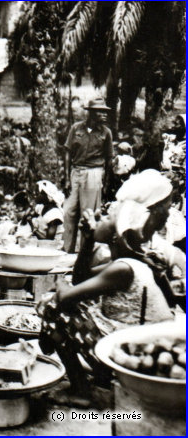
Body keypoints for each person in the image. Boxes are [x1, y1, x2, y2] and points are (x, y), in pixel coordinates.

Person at [36, 170, 176, 405]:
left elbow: (68, 294)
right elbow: (81, 279)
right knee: (74, 302)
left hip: (136, 362)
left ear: (114, 234)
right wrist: (87, 238)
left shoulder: (122, 269)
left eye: (104, 219)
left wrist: (58, 283)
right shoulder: (126, 263)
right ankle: (99, 377)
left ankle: (82, 391)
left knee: (53, 306)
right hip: (139, 351)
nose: (96, 220)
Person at [63, 98, 114, 253]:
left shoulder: (106, 133)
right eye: (100, 111)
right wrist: (66, 178)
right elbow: (67, 153)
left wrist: (105, 183)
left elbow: (109, 159)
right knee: (69, 211)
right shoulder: (76, 128)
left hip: (94, 173)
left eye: (105, 112)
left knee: (88, 214)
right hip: (76, 171)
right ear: (91, 113)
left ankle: (84, 252)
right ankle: (67, 250)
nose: (104, 115)